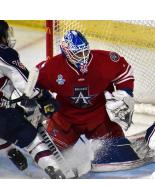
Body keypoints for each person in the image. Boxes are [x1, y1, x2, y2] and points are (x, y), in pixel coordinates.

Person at [36, 30, 140, 172]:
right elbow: (33, 84)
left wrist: (124, 94)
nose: (84, 57)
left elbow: (124, 72)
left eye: (85, 51)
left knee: (116, 156)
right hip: (65, 119)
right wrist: (43, 101)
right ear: (66, 53)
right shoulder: (51, 68)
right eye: (78, 54)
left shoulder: (104, 60)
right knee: (47, 159)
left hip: (99, 118)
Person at [0, 20, 68, 179]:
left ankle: (9, 150)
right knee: (32, 141)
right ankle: (59, 175)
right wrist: (43, 97)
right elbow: (25, 84)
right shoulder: (4, 52)